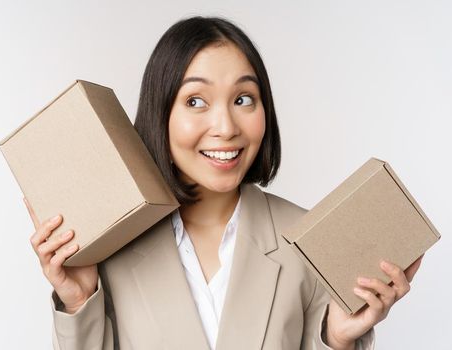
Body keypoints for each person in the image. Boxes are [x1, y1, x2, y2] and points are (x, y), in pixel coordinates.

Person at [24, 16, 423, 350]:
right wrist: (78, 304)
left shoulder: (311, 243)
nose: (226, 127)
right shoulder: (110, 248)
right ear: (160, 110)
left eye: (244, 99)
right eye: (196, 101)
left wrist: (336, 339)